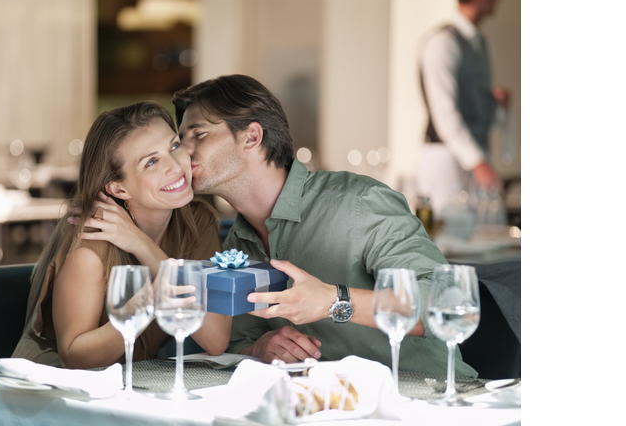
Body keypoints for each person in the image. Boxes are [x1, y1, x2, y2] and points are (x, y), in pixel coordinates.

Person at [172, 74, 477, 377]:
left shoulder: (359, 202)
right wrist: (260, 348)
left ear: (251, 136)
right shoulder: (237, 244)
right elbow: (236, 338)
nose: (182, 152)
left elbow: (447, 299)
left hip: (429, 399)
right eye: (180, 140)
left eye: (198, 134)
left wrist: (335, 300)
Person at [11, 101, 231, 369]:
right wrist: (148, 303)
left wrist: (141, 244)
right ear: (118, 189)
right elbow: (74, 356)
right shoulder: (93, 239)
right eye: (151, 162)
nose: (175, 165)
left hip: (134, 383)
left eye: (174, 146)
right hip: (53, 392)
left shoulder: (197, 221)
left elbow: (216, 339)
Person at [417, 0, 510, 216]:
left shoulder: (482, 45)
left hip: (473, 160)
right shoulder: (443, 42)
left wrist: (495, 104)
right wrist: (477, 162)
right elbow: (444, 112)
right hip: (445, 162)